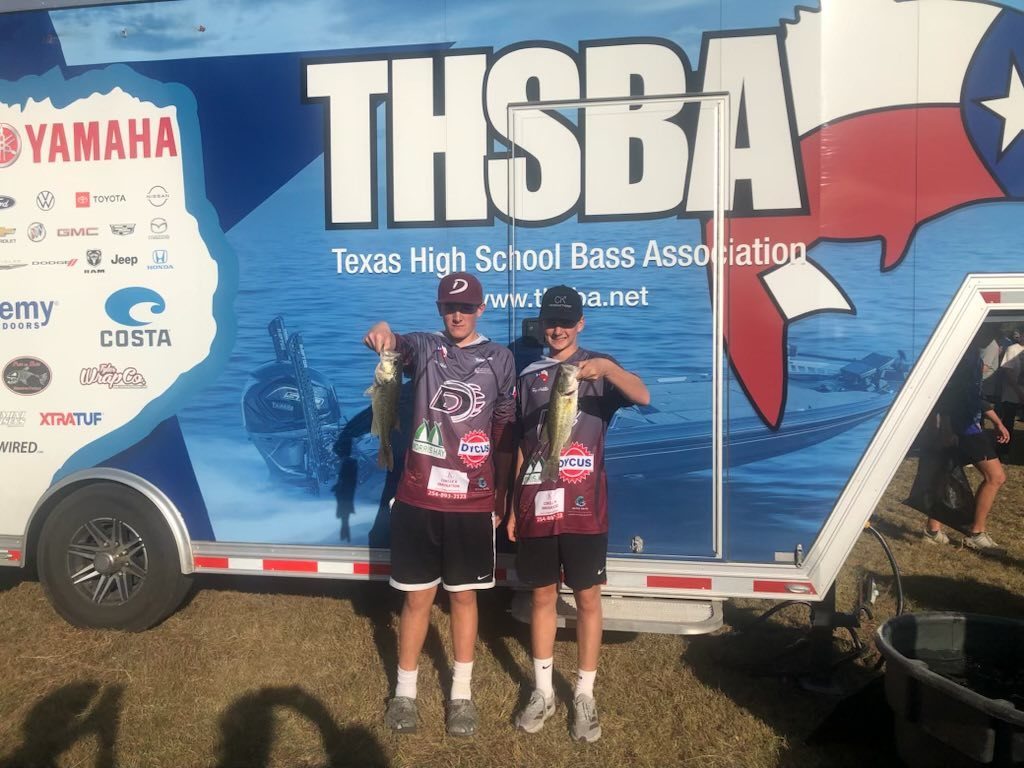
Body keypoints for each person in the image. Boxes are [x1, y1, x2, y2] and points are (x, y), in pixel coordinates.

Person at [363, 272, 515, 737]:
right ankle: (405, 694)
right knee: (417, 600)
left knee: (464, 598)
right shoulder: (426, 348)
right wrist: (382, 329)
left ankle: (461, 696)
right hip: (418, 496)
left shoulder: (501, 358)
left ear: (481, 310)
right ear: (439, 309)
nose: (458, 315)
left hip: (472, 501)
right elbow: (394, 345)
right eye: (450, 307)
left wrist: (502, 493)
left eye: (466, 307)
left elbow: (505, 431)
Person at [507, 285, 650, 742]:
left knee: (588, 599)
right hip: (536, 505)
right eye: (551, 320)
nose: (558, 328)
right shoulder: (527, 372)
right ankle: (544, 690)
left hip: (586, 509)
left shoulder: (596, 369)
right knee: (543, 598)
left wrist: (607, 368)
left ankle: (584, 694)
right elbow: (520, 448)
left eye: (567, 321)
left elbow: (643, 396)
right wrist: (512, 504)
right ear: (542, 323)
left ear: (581, 324)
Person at [924, 329, 1009, 552]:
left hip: (967, 425)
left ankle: (932, 530)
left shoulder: (972, 355)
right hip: (964, 428)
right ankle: (976, 533)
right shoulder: (962, 357)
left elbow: (974, 396)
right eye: (990, 332)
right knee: (996, 477)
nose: (991, 338)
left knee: (946, 473)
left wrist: (997, 421)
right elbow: (946, 394)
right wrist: (947, 428)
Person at [997, 326, 1024, 459]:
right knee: (1008, 422)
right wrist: (1019, 391)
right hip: (1011, 394)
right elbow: (1007, 371)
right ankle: (1003, 451)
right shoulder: (1012, 349)